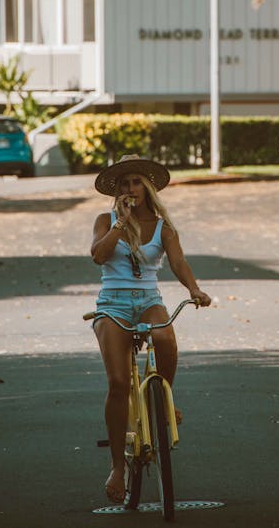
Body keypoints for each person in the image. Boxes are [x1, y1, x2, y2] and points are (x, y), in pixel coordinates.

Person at [90, 154, 211, 503]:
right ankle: (117, 467)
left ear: (148, 187)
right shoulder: (106, 220)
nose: (131, 189)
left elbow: (178, 261)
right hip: (112, 304)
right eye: (125, 184)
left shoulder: (163, 227)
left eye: (137, 182)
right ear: (118, 191)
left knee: (164, 334)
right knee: (117, 382)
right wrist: (120, 224)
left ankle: (164, 400)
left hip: (148, 301)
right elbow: (98, 255)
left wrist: (194, 289)